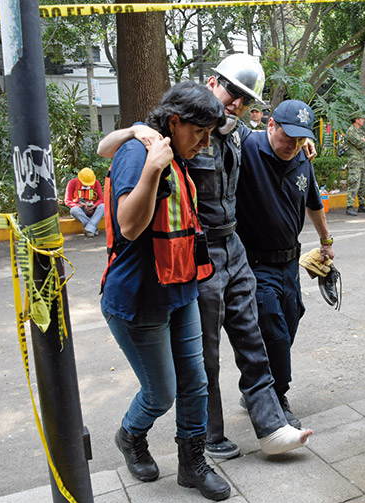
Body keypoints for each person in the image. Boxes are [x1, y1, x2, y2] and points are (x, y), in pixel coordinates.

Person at [98, 54, 312, 461]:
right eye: (232, 91)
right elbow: (109, 149)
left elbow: (277, 145)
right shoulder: (176, 129)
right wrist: (135, 130)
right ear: (213, 82)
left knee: (253, 338)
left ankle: (269, 426)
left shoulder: (235, 135)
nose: (236, 104)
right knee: (205, 349)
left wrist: (302, 145)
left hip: (234, 248)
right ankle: (210, 434)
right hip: (196, 249)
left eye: (246, 100)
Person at [101, 81, 231, 501]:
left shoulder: (171, 148)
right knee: (161, 392)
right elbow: (128, 225)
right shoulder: (139, 155)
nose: (205, 141)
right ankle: (130, 434)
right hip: (138, 299)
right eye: (200, 131)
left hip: (180, 289)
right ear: (174, 122)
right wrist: (152, 168)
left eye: (211, 132)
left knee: (196, 382)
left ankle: (192, 465)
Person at [235, 100, 335, 425]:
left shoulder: (303, 158)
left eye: (300, 138)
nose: (292, 145)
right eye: (287, 136)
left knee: (291, 319)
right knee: (275, 332)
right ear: (270, 125)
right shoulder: (247, 148)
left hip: (290, 264)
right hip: (255, 264)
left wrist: (325, 242)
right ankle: (276, 399)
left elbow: (314, 203)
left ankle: (257, 383)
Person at [65, 167, 104, 237]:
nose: (87, 185)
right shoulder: (72, 183)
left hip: (93, 211)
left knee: (103, 207)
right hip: (80, 211)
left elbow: (101, 199)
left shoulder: (96, 182)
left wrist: (94, 205)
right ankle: (92, 228)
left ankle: (89, 229)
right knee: (73, 210)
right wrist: (78, 205)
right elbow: (67, 201)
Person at [345, 115, 365, 216]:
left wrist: (364, 140)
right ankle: (349, 206)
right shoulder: (351, 131)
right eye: (362, 118)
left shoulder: (360, 131)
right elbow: (361, 143)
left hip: (362, 162)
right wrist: (364, 140)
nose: (363, 120)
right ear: (356, 120)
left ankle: (362, 205)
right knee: (354, 183)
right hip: (355, 162)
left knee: (363, 184)